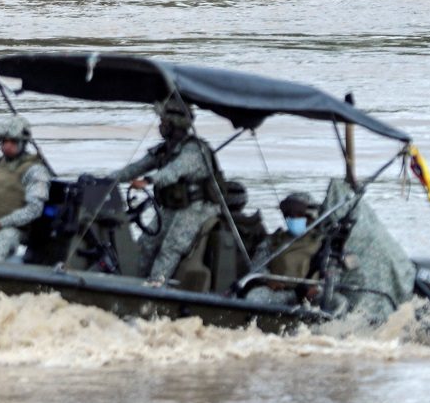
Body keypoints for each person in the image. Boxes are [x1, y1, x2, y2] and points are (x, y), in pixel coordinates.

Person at [109, 98, 221, 282]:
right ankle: (132, 282)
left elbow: (173, 172)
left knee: (171, 247)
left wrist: (148, 181)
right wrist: (107, 180)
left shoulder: (194, 150)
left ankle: (156, 286)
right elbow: (135, 168)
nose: (160, 126)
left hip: (197, 208)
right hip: (173, 206)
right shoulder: (165, 150)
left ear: (174, 124)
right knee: (147, 242)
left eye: (163, 122)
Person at [0, 116, 53, 261]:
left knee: (2, 242)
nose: (7, 146)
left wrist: (0, 224)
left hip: (14, 229)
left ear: (23, 143)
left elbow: (34, 209)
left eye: (13, 142)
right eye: (5, 141)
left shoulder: (35, 171)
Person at [245, 192, 326, 306]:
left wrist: (319, 287)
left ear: (310, 216)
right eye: (288, 214)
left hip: (312, 293)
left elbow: (332, 273)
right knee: (254, 297)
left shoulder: (323, 242)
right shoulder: (273, 240)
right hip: (281, 293)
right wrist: (268, 280)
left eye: (298, 215)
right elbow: (257, 266)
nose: (292, 218)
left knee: (337, 301)